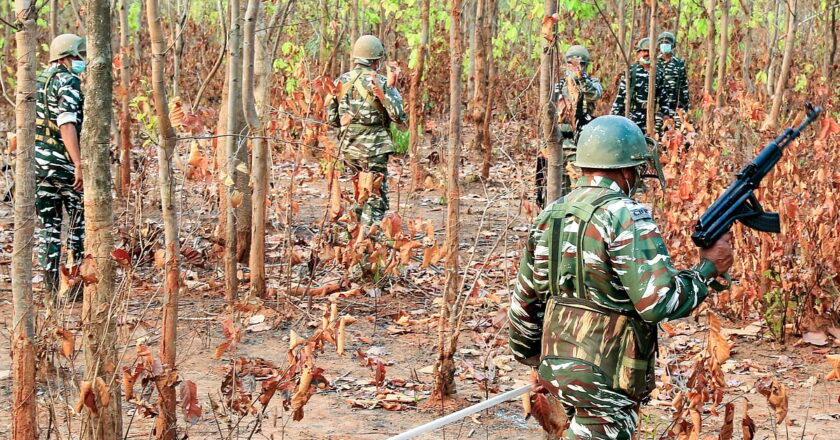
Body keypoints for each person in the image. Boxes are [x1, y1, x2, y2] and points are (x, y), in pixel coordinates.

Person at [509, 115, 734, 439]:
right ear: (629, 170)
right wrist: (707, 270)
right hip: (608, 373)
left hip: (557, 366)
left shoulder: (551, 214)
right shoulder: (627, 215)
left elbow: (525, 304)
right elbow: (658, 303)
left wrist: (535, 361)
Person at [326, 35, 408, 227]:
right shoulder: (379, 81)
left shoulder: (340, 81)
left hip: (349, 147)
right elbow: (398, 117)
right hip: (375, 149)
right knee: (375, 197)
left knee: (359, 194)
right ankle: (368, 246)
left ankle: (353, 239)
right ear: (376, 61)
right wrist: (392, 89)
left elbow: (332, 119)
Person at [35, 34, 87, 298]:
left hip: (39, 167)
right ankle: (75, 287)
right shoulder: (68, 80)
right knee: (78, 224)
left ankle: (50, 289)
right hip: (64, 164)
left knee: (49, 228)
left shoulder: (39, 81)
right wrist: (77, 162)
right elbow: (67, 122)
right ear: (70, 55)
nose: (82, 60)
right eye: (80, 55)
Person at [537, 45, 603, 207]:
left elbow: (594, 94)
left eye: (579, 64)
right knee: (556, 187)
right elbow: (548, 115)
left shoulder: (591, 84)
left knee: (579, 186)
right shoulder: (558, 86)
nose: (574, 67)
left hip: (580, 144)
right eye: (571, 64)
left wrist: (579, 77)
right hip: (558, 143)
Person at [611, 38, 671, 134]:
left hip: (652, 117)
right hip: (633, 116)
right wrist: (614, 117)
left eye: (649, 51)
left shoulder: (658, 72)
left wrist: (666, 115)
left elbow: (663, 96)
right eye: (644, 51)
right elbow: (621, 96)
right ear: (638, 53)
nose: (647, 54)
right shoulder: (631, 71)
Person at [656, 31, 690, 128]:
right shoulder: (655, 62)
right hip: (659, 106)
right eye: (662, 43)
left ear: (672, 46)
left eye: (667, 43)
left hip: (675, 105)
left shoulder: (679, 63)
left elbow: (684, 86)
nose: (664, 45)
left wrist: (685, 107)